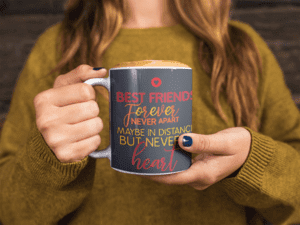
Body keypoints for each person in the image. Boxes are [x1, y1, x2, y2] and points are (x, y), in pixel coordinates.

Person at [0, 0, 299, 224]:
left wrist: (253, 162)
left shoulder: (240, 47)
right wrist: (49, 161)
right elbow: (9, 211)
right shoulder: (58, 47)